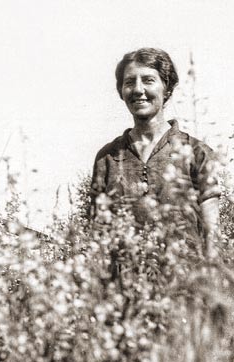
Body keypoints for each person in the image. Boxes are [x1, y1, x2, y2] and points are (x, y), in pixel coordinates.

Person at [89, 48, 220, 263]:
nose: (138, 89)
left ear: (166, 88)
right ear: (121, 91)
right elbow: (98, 236)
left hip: (184, 285)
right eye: (129, 82)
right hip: (125, 287)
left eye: (149, 80)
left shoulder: (195, 152)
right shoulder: (108, 158)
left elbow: (212, 235)